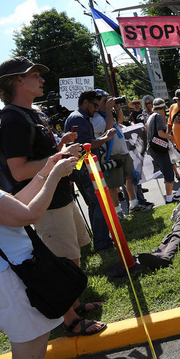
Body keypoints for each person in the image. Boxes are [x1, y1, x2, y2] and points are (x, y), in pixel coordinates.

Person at [0, 59, 106, 338]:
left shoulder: (30, 113)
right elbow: (18, 169)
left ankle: (74, 304)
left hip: (58, 194)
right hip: (43, 200)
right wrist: (59, 158)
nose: (42, 80)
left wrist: (60, 146)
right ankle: (69, 320)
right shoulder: (11, 118)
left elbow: (37, 157)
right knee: (60, 259)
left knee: (74, 252)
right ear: (17, 81)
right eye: (35, 75)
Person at [0, 153, 102, 359]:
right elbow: (29, 215)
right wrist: (54, 176)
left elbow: (14, 206)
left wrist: (45, 171)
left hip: (12, 278)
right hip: (13, 281)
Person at [64, 90, 118, 252]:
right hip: (84, 167)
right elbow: (85, 145)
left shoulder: (80, 118)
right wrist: (106, 137)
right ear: (85, 102)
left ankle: (100, 240)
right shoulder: (78, 118)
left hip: (84, 167)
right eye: (95, 105)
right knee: (100, 204)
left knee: (95, 205)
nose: (96, 109)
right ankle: (101, 243)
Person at [91, 90, 137, 217]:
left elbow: (120, 121)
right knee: (114, 185)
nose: (108, 102)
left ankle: (134, 204)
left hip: (123, 152)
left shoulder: (107, 113)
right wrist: (107, 109)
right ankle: (118, 212)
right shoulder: (96, 118)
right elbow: (108, 127)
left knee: (131, 177)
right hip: (112, 155)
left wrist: (116, 109)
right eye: (104, 100)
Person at [146, 98, 180, 204]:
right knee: (169, 173)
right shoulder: (159, 117)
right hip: (159, 149)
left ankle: (170, 195)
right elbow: (161, 134)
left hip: (153, 148)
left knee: (167, 172)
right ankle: (169, 198)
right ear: (163, 108)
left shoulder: (151, 116)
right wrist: (170, 137)